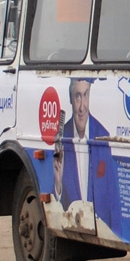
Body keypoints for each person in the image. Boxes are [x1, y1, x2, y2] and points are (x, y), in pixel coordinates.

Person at [51, 78, 120, 235]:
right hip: (72, 229)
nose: (82, 106)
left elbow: (113, 200)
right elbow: (54, 206)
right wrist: (58, 183)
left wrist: (116, 236)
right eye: (77, 97)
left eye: (85, 95)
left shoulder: (103, 135)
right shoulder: (61, 140)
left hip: (102, 231)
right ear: (70, 99)